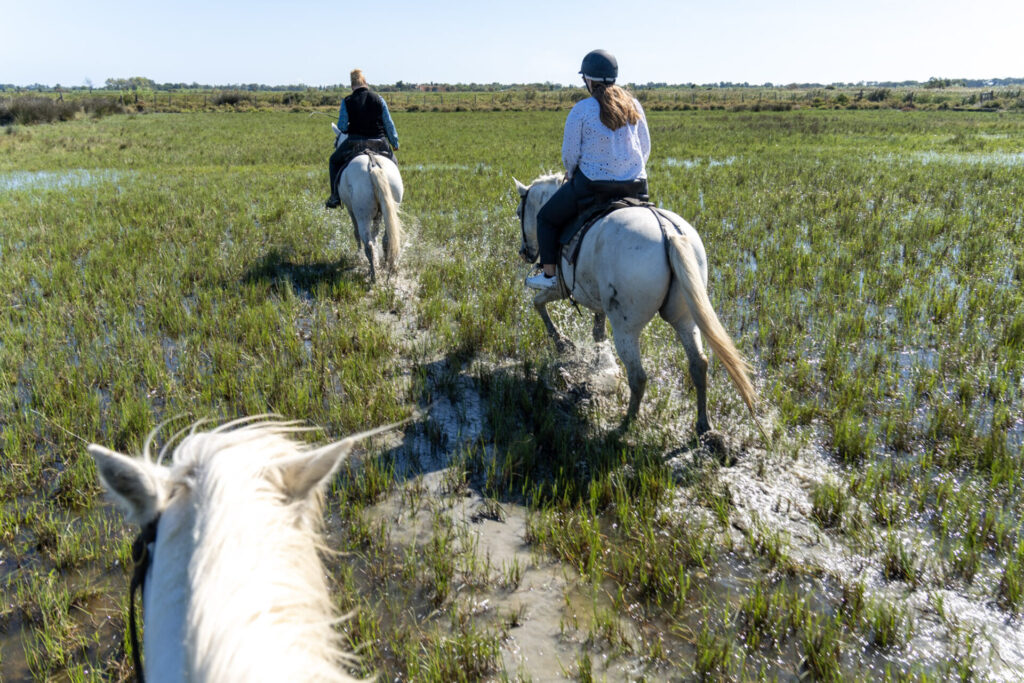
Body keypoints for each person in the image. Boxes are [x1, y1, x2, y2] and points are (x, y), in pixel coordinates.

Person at [525, 50, 651, 290]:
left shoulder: (582, 110)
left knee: (546, 218)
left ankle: (550, 277)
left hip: (593, 187)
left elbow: (570, 155)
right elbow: (645, 148)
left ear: (588, 80)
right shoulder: (634, 105)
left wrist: (571, 173)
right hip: (636, 187)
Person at [326, 69, 401, 208]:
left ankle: (335, 197)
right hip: (379, 141)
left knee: (333, 161)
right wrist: (394, 142)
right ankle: (397, 196)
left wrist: (349, 124)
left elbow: (341, 127)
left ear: (352, 85)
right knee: (394, 163)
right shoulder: (379, 99)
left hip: (355, 142)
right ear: (365, 82)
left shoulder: (347, 101)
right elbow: (389, 124)